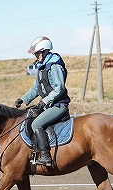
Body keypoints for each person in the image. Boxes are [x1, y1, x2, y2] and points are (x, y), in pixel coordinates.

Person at [15, 36, 70, 167]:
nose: (35, 55)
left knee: (36, 124)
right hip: (49, 105)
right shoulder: (42, 67)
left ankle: (46, 156)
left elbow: (59, 88)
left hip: (58, 105)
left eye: (36, 53)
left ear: (44, 51)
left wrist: (44, 101)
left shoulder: (54, 65)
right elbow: (36, 88)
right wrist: (23, 99)